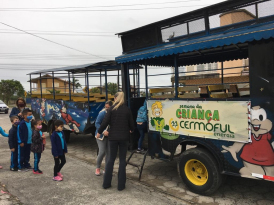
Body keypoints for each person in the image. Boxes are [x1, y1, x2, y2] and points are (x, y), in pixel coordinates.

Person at [96, 92, 134, 191]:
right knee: (122, 161)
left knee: (110, 160)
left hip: (112, 138)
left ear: (115, 98)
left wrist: (99, 132)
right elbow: (132, 125)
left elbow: (105, 122)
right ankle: (121, 185)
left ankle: (106, 184)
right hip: (124, 138)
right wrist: (131, 129)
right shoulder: (127, 110)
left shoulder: (112, 109)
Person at [95, 100, 113, 176]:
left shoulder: (113, 113)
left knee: (109, 153)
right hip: (100, 136)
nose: (107, 109)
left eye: (108, 108)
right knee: (102, 152)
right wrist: (103, 132)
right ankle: (98, 167)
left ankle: (106, 169)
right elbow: (97, 123)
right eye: (106, 107)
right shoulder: (102, 113)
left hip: (109, 136)